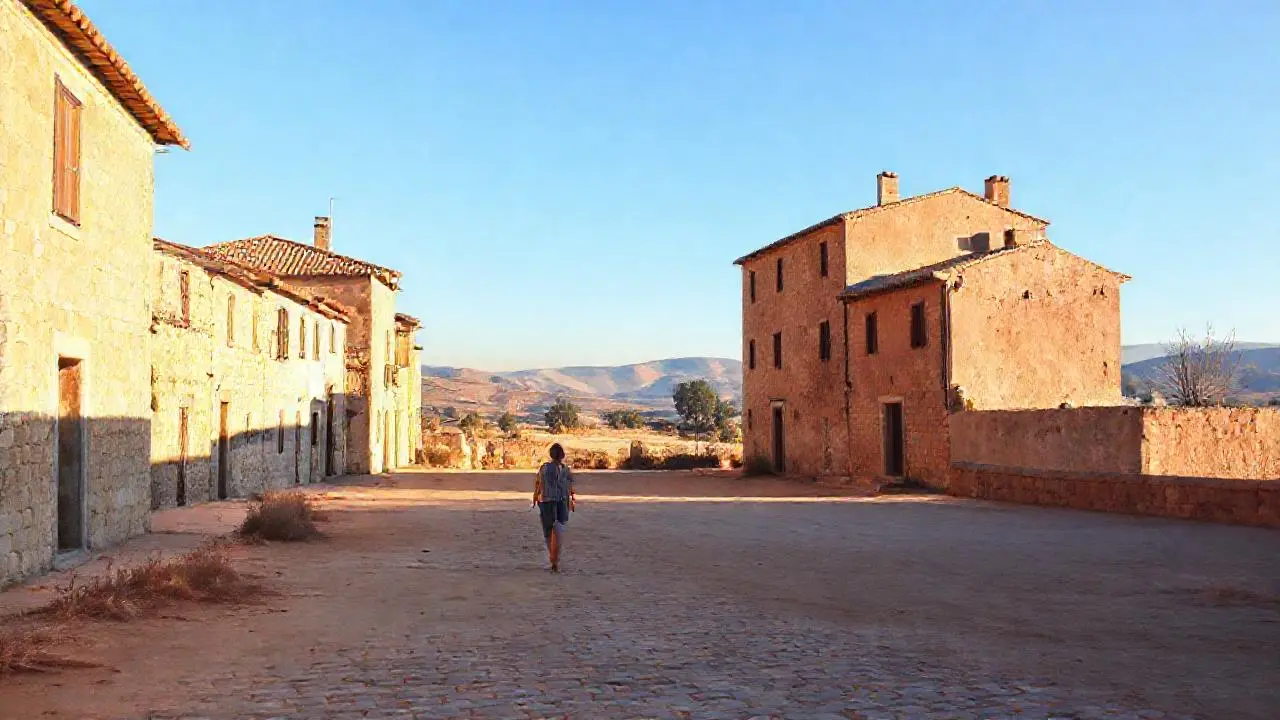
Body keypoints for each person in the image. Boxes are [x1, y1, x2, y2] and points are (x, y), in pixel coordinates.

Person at [533, 443, 575, 573]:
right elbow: (569, 487)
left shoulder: (544, 468)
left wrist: (535, 497)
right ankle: (556, 559)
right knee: (559, 530)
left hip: (546, 501)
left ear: (551, 454)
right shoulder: (566, 469)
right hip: (562, 501)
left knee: (548, 531)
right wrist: (572, 500)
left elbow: (538, 484)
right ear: (562, 456)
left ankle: (552, 557)